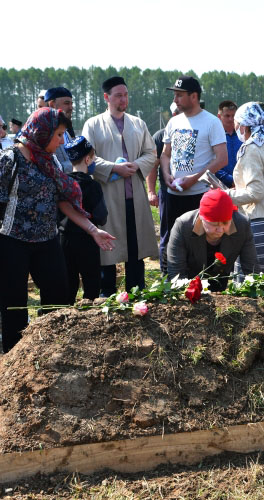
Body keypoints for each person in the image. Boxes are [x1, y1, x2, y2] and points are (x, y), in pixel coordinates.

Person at [0, 108, 115, 353]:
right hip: (12, 242)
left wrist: (93, 230)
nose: (62, 141)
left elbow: (62, 200)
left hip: (47, 240)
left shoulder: (48, 160)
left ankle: (51, 352)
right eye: (59, 135)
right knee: (13, 306)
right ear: (43, 133)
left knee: (59, 298)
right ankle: (13, 361)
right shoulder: (9, 160)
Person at [82, 76, 159, 296]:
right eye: (118, 95)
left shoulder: (138, 123)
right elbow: (87, 158)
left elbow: (151, 153)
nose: (123, 99)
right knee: (107, 247)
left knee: (136, 248)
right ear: (106, 97)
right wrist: (114, 169)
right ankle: (107, 294)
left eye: (125, 95)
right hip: (107, 196)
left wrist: (134, 165)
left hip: (134, 195)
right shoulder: (93, 124)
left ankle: (136, 292)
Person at [160, 75, 228, 260]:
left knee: (200, 244)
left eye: (179, 95)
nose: (175, 100)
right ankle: (174, 283)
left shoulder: (212, 122)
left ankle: (203, 285)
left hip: (198, 196)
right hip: (174, 195)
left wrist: (194, 179)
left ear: (194, 96)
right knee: (174, 242)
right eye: (175, 95)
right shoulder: (174, 122)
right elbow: (166, 154)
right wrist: (166, 174)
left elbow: (222, 159)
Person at [225, 102, 264, 272]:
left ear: (244, 126)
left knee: (251, 276)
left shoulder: (251, 149)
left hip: (259, 222)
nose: (235, 127)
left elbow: (255, 192)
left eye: (237, 124)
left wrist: (226, 194)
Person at [167, 189, 259, 291]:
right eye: (214, 224)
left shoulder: (242, 225)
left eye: (225, 223)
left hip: (219, 282)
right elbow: (176, 272)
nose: (220, 230)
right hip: (188, 281)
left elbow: (251, 267)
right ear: (202, 218)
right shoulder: (183, 226)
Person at [60, 136, 108, 304]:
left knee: (68, 282)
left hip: (64, 239)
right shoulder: (93, 186)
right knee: (91, 283)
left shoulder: (64, 182)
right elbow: (101, 217)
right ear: (88, 159)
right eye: (93, 158)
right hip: (88, 240)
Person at [147, 102, 180, 274]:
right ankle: (166, 274)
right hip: (168, 194)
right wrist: (151, 191)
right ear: (174, 115)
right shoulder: (160, 136)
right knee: (168, 233)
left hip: (191, 192)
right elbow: (153, 166)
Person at [44, 87, 75, 172]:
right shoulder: (43, 133)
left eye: (71, 104)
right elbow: (47, 166)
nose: (71, 107)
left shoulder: (66, 132)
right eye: (66, 103)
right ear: (52, 104)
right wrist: (76, 164)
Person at [215, 100, 241, 188]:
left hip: (243, 186)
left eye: (233, 116)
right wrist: (231, 180)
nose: (231, 119)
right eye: (227, 116)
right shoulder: (214, 136)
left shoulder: (243, 136)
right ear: (219, 116)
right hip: (219, 186)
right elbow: (210, 162)